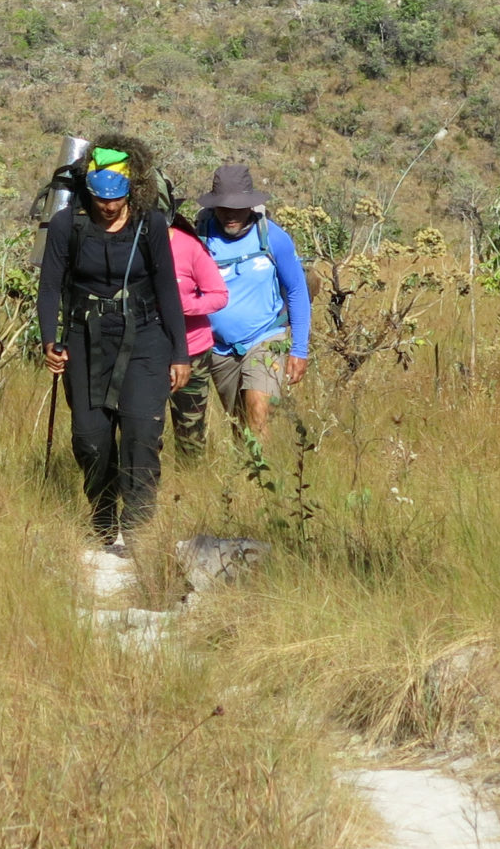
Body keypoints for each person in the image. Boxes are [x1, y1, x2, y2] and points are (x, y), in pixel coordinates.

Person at [35, 134, 192, 546]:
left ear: (132, 191)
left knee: (142, 432)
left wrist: (180, 352)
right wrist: (49, 340)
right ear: (87, 190)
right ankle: (102, 513)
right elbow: (50, 286)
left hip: (146, 338)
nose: (108, 206)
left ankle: (139, 526)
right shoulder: (68, 225)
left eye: (116, 198)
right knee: (90, 438)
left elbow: (166, 289)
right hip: (83, 338)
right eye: (100, 198)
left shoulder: (151, 223)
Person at [192, 163, 310, 433]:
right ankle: (245, 474)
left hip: (265, 337)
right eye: (223, 208)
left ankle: (262, 473)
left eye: (237, 208)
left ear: (249, 205)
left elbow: (297, 291)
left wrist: (299, 349)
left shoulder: (273, 238)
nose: (230, 216)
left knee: (258, 414)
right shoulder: (201, 238)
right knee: (239, 425)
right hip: (219, 349)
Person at [167, 196, 230, 455]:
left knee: (190, 434)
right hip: (146, 350)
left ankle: (190, 482)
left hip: (193, 350)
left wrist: (184, 306)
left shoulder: (189, 246)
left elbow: (218, 294)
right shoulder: (130, 245)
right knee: (144, 430)